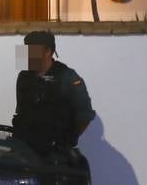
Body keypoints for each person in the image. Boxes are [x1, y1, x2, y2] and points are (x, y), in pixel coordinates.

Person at [12, 30, 94, 158]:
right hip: (26, 149)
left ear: (47, 51)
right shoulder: (24, 77)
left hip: (55, 153)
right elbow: (21, 111)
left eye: (31, 50)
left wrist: (66, 139)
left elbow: (85, 116)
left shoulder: (68, 77)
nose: (27, 55)